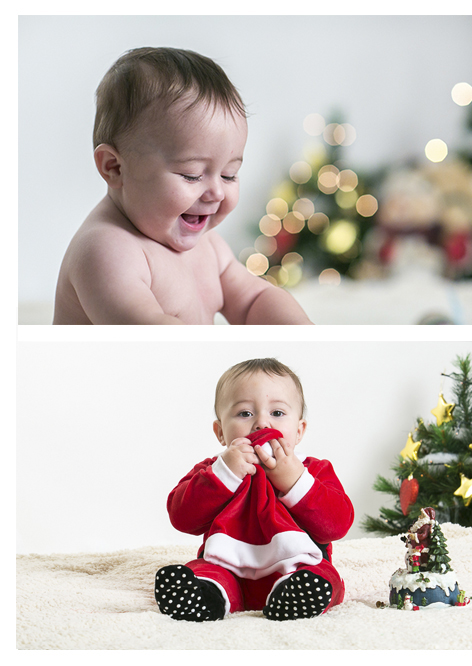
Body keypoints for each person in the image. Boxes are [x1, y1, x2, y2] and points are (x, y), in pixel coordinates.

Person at [54, 47, 312, 324]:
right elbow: (152, 343)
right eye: (191, 175)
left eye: (229, 174)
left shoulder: (209, 246)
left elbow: (253, 301)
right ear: (114, 167)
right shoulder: (106, 250)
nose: (217, 192)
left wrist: (296, 329)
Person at [155, 358, 353, 621]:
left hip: (297, 566)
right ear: (221, 432)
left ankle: (293, 597)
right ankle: (204, 596)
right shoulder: (214, 470)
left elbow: (337, 525)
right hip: (227, 566)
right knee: (205, 572)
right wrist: (225, 473)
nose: (262, 424)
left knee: (324, 576)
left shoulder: (312, 470)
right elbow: (182, 518)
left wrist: (294, 480)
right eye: (245, 413)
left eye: (277, 413)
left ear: (299, 430)